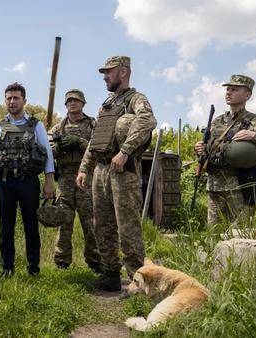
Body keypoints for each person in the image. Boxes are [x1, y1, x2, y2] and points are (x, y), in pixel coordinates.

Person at [76, 56, 157, 291]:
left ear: (123, 72)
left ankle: (137, 280)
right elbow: (96, 138)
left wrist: (125, 151)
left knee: (128, 226)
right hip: (100, 171)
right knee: (102, 224)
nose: (104, 76)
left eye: (109, 72)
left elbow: (147, 121)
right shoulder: (108, 103)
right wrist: (84, 168)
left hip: (124, 171)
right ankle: (110, 273)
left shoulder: (136, 100)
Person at [0, 82, 56, 278]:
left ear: (24, 100)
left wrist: (49, 182)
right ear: (5, 101)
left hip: (29, 182)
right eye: (9, 98)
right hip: (5, 183)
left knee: (31, 225)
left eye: (16, 98)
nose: (12, 101)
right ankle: (7, 268)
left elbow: (47, 154)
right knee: (6, 227)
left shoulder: (36, 125)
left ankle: (33, 268)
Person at [194, 74, 256, 226]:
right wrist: (201, 149)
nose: (228, 92)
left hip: (240, 188)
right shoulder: (217, 121)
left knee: (239, 237)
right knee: (213, 236)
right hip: (215, 188)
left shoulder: (255, 121)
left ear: (247, 94)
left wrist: (255, 136)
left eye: (234, 89)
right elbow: (210, 151)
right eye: (228, 89)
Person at [49, 89, 101, 273]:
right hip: (65, 178)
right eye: (69, 101)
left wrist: (80, 142)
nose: (72, 103)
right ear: (65, 105)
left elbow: (100, 148)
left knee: (91, 221)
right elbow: (47, 152)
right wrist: (59, 147)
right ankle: (62, 260)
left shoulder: (93, 124)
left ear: (83, 103)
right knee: (64, 221)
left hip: (86, 176)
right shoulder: (57, 128)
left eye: (76, 100)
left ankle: (95, 260)